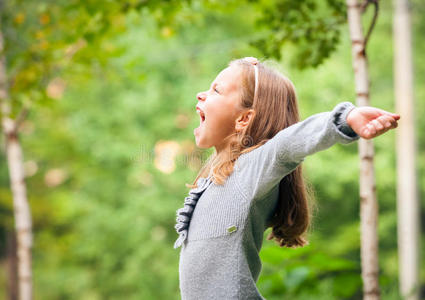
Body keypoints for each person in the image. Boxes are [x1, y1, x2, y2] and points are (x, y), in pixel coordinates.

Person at [173, 57, 400, 300]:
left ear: (244, 119)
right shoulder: (216, 181)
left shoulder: (248, 173)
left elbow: (286, 145)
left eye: (216, 90)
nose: (201, 94)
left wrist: (344, 120)